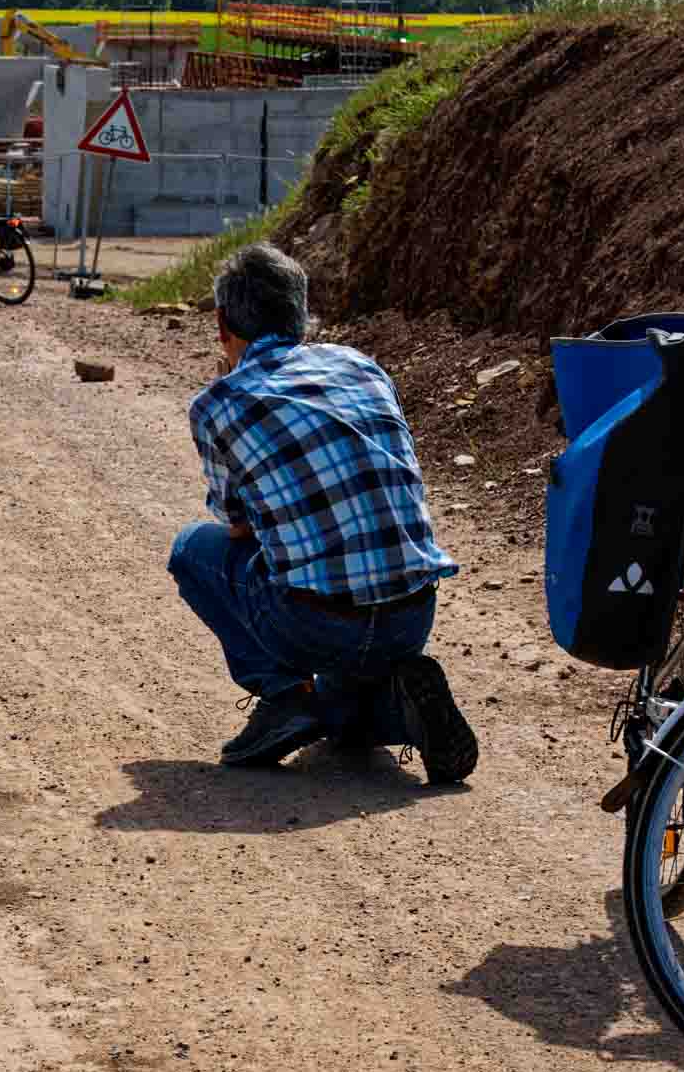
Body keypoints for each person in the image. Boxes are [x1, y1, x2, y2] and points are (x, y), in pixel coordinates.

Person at [168, 243, 478, 782]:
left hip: (317, 623)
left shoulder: (219, 403)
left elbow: (236, 525)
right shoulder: (360, 366)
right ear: (301, 313)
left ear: (222, 325)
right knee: (343, 715)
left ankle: (285, 694)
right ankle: (398, 706)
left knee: (193, 551)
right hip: (412, 614)